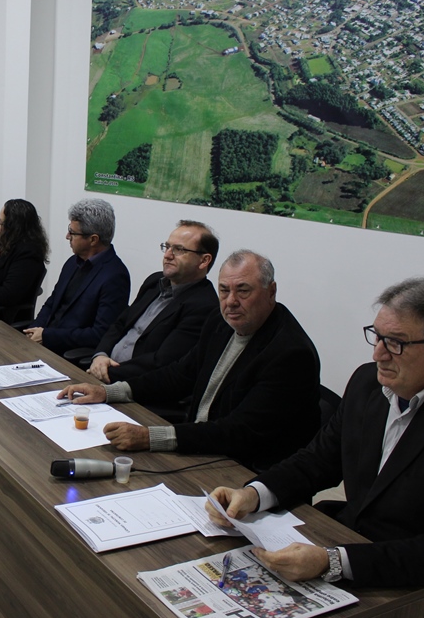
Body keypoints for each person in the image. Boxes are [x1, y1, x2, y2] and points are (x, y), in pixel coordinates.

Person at [205, 278, 424, 618]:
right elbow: (317, 460)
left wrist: (332, 561)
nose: (378, 354)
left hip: (417, 591)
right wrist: (254, 493)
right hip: (350, 541)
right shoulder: (368, 384)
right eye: (377, 336)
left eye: (396, 343)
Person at [59, 250, 320, 471]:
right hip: (201, 445)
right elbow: (180, 374)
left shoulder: (290, 353)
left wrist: (151, 437)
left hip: (244, 468)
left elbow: (240, 431)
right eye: (224, 290)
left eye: (243, 291)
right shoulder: (221, 322)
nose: (231, 302)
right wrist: (108, 392)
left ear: (271, 291)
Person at [87, 220, 219, 384]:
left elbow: (161, 362)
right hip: (101, 370)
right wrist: (100, 355)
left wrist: (106, 372)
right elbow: (120, 324)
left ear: (204, 261)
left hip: (131, 386)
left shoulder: (203, 306)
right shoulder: (154, 281)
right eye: (167, 246)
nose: (167, 255)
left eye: (179, 249)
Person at [24, 199, 129, 356]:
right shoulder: (72, 262)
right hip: (43, 343)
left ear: (93, 239)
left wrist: (47, 336)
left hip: (67, 354)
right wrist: (33, 330)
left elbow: (99, 334)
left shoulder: (115, 276)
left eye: (72, 233)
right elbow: (51, 304)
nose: (67, 236)